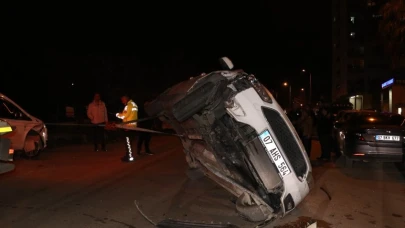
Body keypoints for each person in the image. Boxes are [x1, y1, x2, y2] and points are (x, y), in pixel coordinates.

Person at [116, 95, 138, 162]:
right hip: (133, 126)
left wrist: (117, 115)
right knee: (129, 142)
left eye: (123, 100)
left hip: (128, 126)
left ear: (126, 99)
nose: (122, 102)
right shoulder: (134, 104)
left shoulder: (128, 106)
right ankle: (128, 155)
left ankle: (129, 157)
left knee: (128, 142)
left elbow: (124, 115)